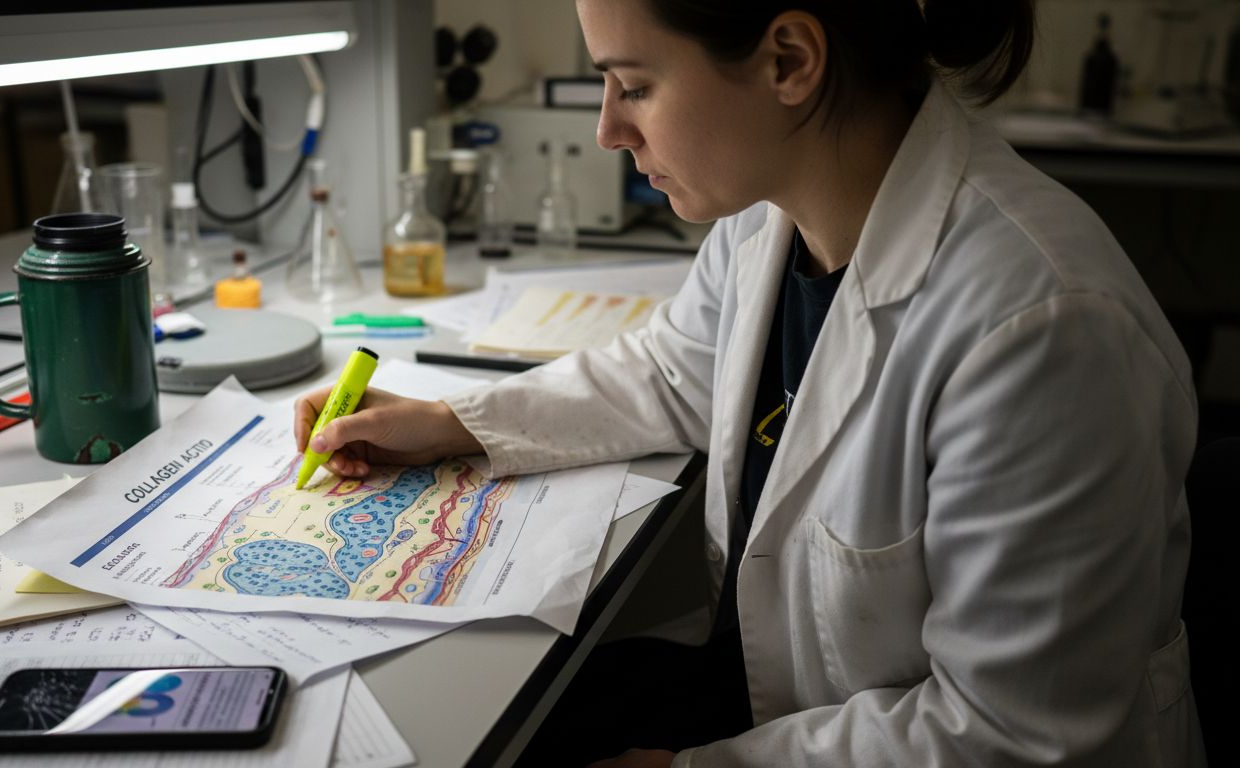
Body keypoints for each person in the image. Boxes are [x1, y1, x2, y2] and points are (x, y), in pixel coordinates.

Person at [295, 0, 1206, 765]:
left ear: (789, 61)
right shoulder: (772, 213)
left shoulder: (1043, 328)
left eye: (634, 86)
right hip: (785, 701)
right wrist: (449, 420)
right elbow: (670, 371)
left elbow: (1009, 734)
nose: (608, 130)